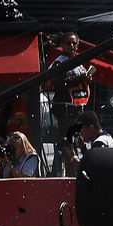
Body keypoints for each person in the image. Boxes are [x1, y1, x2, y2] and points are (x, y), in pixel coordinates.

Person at [48, 32, 94, 176]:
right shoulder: (59, 63)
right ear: (62, 45)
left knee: (80, 145)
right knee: (67, 147)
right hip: (66, 111)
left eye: (74, 43)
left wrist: (86, 80)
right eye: (68, 43)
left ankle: (78, 174)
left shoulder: (78, 62)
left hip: (79, 111)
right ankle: (68, 176)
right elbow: (58, 84)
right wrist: (80, 78)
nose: (72, 46)